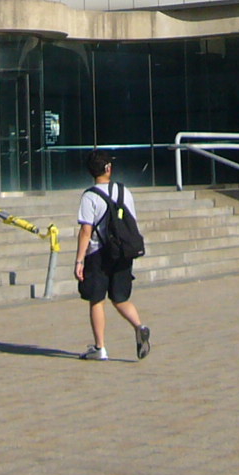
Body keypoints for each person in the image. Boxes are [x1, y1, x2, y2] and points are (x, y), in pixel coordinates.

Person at [74, 150, 151, 361]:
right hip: (123, 252)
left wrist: (79, 260)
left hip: (98, 254)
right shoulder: (124, 191)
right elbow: (131, 221)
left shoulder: (90, 196)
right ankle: (139, 326)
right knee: (120, 298)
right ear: (108, 168)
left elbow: (86, 231)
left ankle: (100, 348)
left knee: (96, 300)